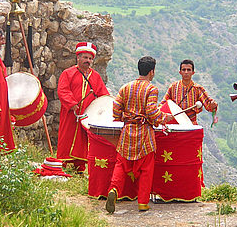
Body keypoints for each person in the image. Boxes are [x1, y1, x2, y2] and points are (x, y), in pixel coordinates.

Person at [106, 56, 174, 213]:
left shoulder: (125, 87)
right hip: (144, 135)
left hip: (128, 133)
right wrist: (164, 118)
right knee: (146, 168)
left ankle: (114, 189)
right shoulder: (151, 89)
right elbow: (151, 112)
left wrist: (124, 117)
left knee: (121, 164)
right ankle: (143, 202)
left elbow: (116, 109)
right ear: (152, 72)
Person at [57, 42, 109, 173]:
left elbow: (103, 94)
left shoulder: (95, 76)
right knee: (67, 138)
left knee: (83, 141)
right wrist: (72, 103)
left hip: (87, 115)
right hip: (71, 113)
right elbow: (63, 90)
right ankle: (63, 164)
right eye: (85, 57)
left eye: (90, 58)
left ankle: (79, 167)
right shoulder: (68, 73)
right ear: (78, 57)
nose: (88, 61)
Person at [160, 59, 217, 125]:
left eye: (189, 70)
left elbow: (208, 105)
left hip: (191, 124)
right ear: (180, 72)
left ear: (193, 72)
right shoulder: (173, 87)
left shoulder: (198, 88)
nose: (186, 72)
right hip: (176, 124)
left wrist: (213, 105)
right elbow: (163, 103)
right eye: (184, 70)